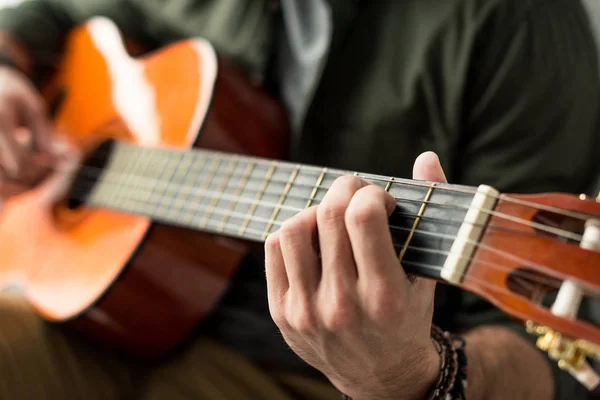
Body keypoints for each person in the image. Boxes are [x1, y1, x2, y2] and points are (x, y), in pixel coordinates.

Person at [0, 0, 598, 399]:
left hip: (315, 373)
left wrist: (413, 375)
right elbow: (52, 13)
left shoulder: (519, 21)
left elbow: (542, 355)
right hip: (108, 309)